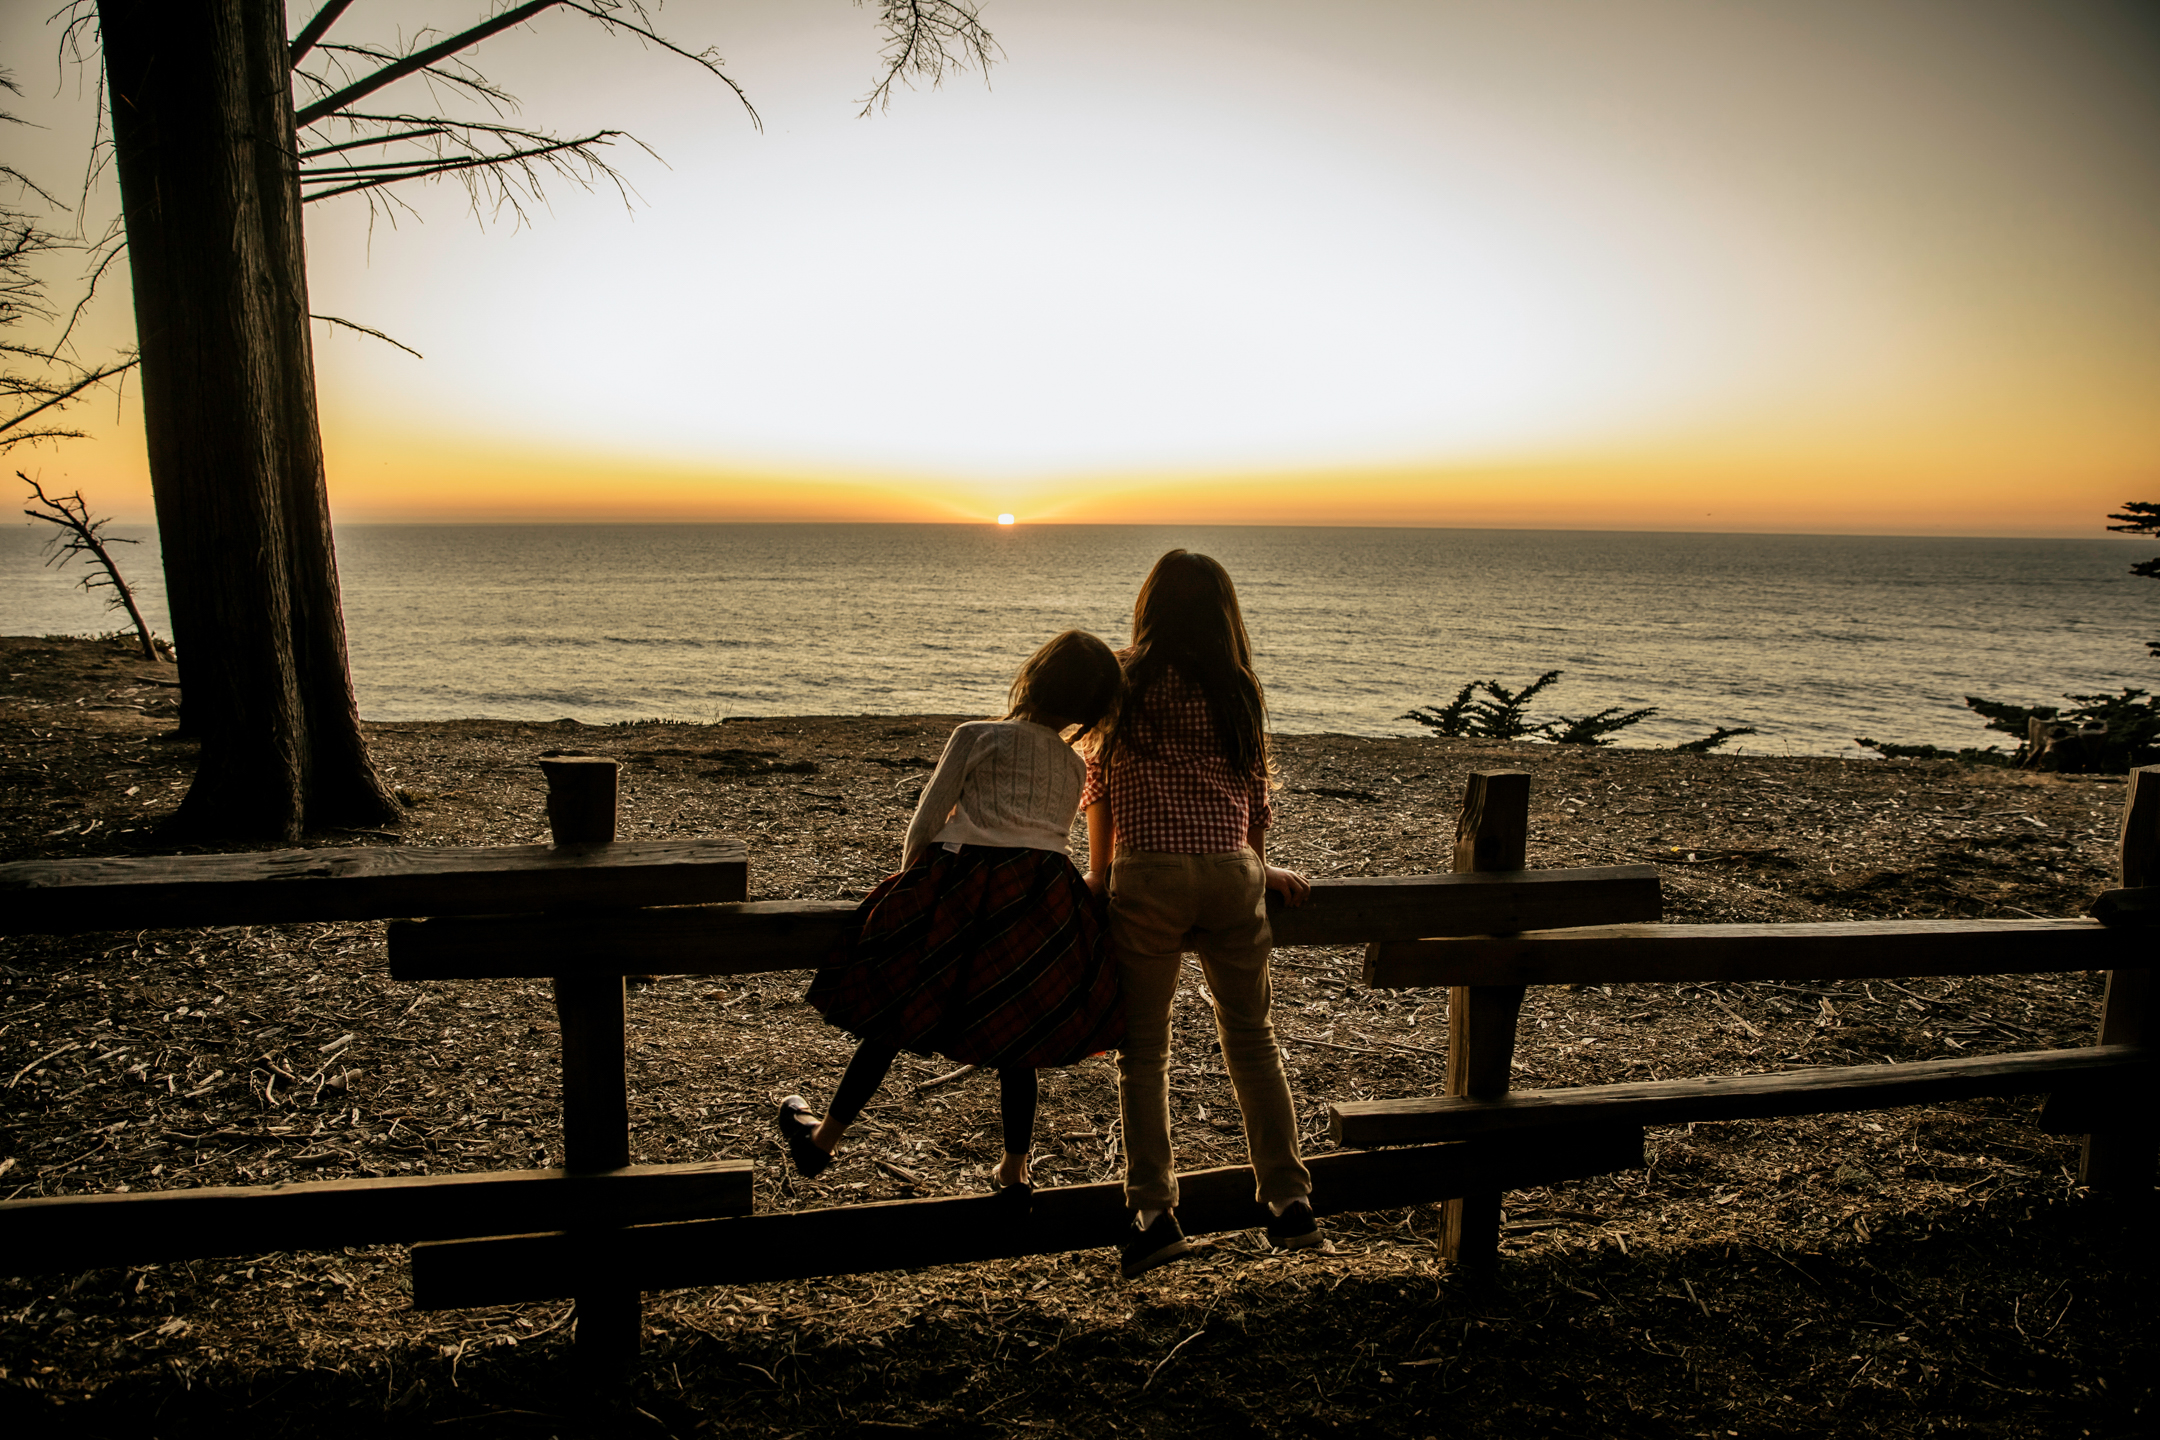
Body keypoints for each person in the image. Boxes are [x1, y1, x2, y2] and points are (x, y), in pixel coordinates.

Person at [777, 630, 1126, 1209]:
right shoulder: (1072, 762)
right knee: (1019, 1039)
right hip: (1040, 896)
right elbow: (1050, 836)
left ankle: (823, 1139)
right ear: (1091, 711)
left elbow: (928, 818)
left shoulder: (976, 734)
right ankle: (1014, 1171)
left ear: (1033, 677)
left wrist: (909, 885)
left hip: (964, 883)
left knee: (892, 1019)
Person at [1081, 550, 1323, 1278]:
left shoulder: (1123, 677)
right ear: (1224, 612)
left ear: (1149, 605)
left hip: (1149, 872)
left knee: (1144, 1051)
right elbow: (1253, 792)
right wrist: (1258, 865)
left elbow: (1100, 784)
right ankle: (1288, 1203)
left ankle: (1155, 1215)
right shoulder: (1236, 684)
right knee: (1253, 1040)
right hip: (1230, 874)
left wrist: (1098, 873)